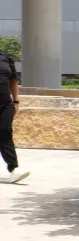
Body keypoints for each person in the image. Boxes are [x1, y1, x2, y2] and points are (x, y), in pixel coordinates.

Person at [0, 48, 29, 184]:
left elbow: (13, 80)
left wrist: (16, 100)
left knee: (5, 132)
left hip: (5, 104)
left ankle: (13, 169)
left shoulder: (5, 57)